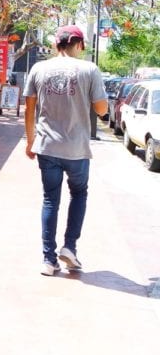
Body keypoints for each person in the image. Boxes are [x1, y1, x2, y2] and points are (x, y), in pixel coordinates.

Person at [22, 25, 108, 277]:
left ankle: (48, 260)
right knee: (79, 194)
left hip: (47, 146)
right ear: (79, 44)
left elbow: (29, 109)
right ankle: (69, 247)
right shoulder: (90, 69)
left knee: (50, 200)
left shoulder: (38, 68)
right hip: (77, 148)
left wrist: (30, 141)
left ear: (56, 45)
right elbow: (102, 110)